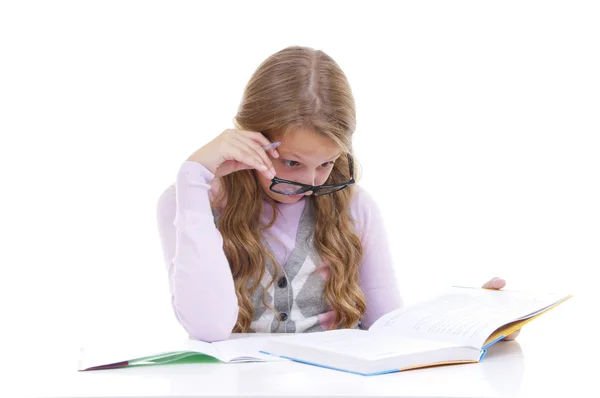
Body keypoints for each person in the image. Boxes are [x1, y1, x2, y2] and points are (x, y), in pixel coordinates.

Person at [156, 45, 520, 342]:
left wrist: (475, 323)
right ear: (250, 139)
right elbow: (207, 328)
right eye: (292, 163)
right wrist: (192, 178)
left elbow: (388, 329)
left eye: (327, 164)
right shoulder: (188, 203)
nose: (312, 183)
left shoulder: (355, 206)